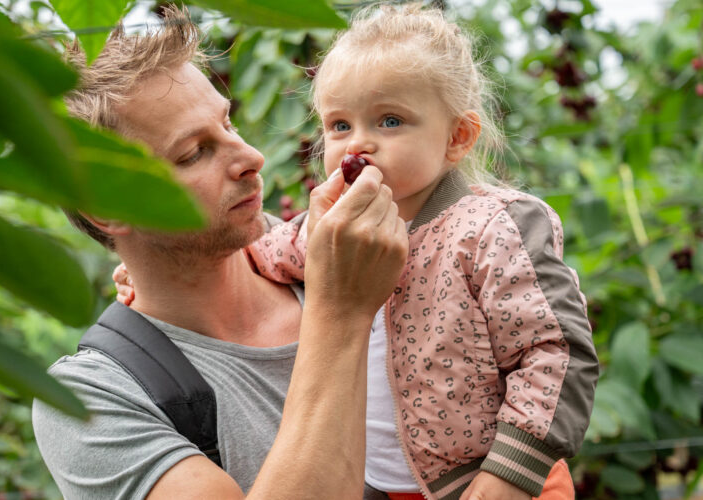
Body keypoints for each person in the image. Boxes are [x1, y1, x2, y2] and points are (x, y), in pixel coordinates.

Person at [31, 6, 410, 499]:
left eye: (228, 124)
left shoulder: (325, 248)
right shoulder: (93, 398)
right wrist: (342, 312)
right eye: (194, 153)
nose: (251, 157)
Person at [234, 4, 598, 500]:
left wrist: (511, 473)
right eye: (339, 125)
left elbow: (556, 351)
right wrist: (147, 271)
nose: (358, 145)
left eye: (390, 121)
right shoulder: (336, 229)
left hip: (492, 482)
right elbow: (260, 253)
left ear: (457, 137)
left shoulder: (491, 228)